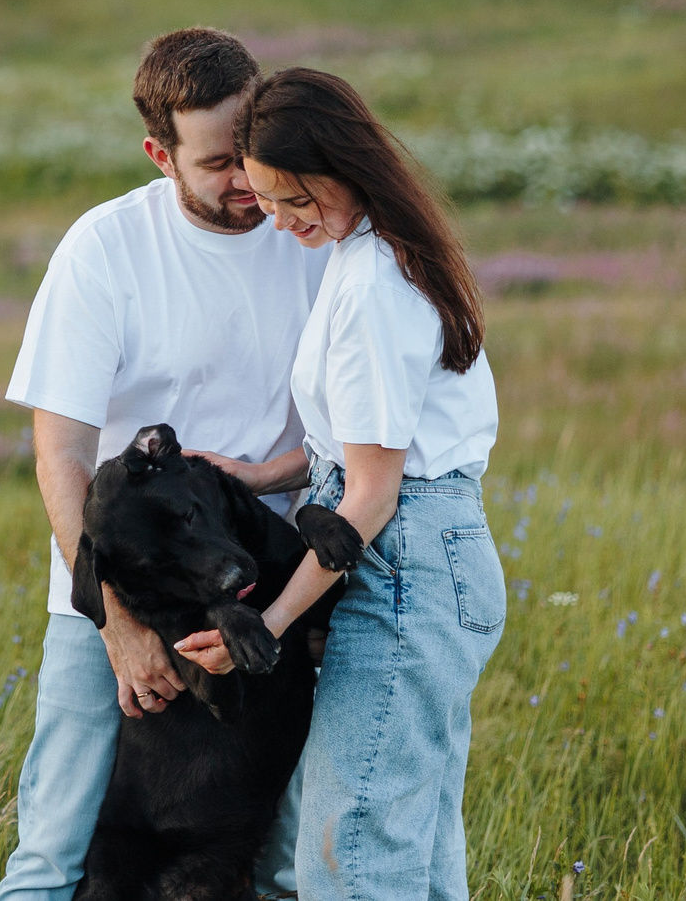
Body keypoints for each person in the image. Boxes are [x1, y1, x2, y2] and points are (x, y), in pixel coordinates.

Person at [0, 28, 330, 901]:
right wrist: (114, 623)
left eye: (250, 151)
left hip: (274, 593)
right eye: (218, 162)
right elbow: (60, 454)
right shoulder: (104, 249)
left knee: (288, 861)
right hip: (118, 588)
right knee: (53, 855)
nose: (246, 182)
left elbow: (350, 435)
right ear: (160, 154)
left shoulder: (314, 237)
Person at [175, 66, 504, 901]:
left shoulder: (374, 290)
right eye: (269, 202)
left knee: (348, 855)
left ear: (344, 167)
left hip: (406, 567)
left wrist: (269, 626)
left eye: (294, 201)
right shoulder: (375, 255)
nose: (282, 224)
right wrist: (260, 474)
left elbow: (373, 495)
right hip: (426, 555)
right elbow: (357, 452)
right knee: (415, 855)